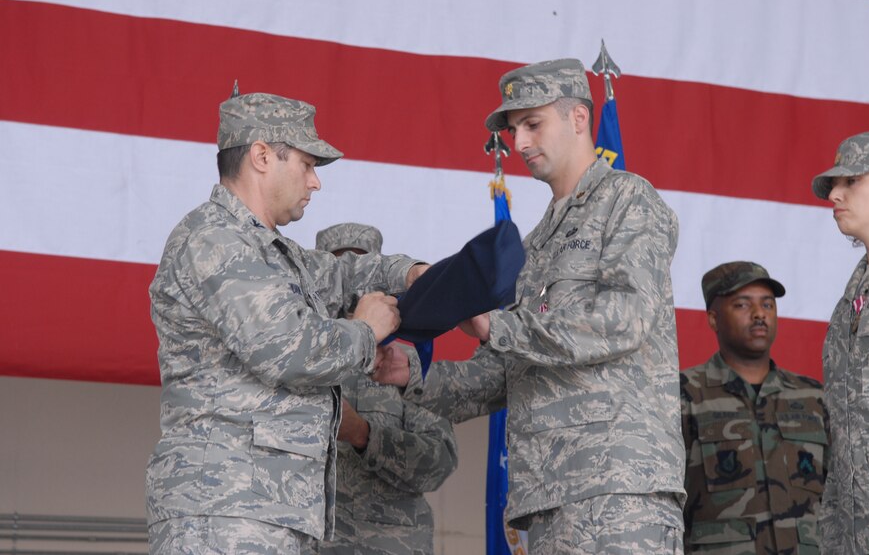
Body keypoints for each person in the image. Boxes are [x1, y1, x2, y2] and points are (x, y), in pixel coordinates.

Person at [375, 58, 685, 554]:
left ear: (579, 118)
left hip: (617, 486)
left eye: (532, 124)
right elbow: (500, 373)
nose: (518, 144)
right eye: (513, 130)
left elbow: (625, 319)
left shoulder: (629, 200)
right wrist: (411, 373)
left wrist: (497, 325)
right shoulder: (534, 244)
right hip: (543, 500)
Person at [146, 89, 426, 554]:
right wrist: (364, 330)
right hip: (225, 511)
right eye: (307, 164)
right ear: (261, 156)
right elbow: (286, 349)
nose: (315, 182)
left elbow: (343, 273)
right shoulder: (213, 240)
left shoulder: (274, 253)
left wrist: (409, 272)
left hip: (270, 511)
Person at [314, 222, 458, 555]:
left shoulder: (405, 364)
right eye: (340, 272)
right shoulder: (307, 358)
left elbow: (439, 463)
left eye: (360, 269)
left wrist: (364, 435)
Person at [681, 261, 830, 553]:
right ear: (713, 319)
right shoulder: (684, 395)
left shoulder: (814, 397)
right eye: (742, 305)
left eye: (768, 305)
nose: (759, 314)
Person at [811, 129, 869, 554]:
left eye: (852, 180)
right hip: (852, 532)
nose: (835, 194)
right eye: (834, 185)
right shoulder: (854, 295)